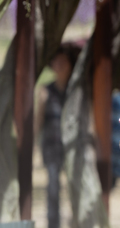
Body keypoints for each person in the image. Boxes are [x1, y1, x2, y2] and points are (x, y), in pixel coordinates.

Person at [37, 42, 80, 228]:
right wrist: (34, 150)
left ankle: (76, 223)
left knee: (75, 188)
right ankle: (52, 225)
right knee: (53, 188)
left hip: (73, 147)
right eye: (57, 62)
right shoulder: (45, 92)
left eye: (64, 62)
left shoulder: (76, 92)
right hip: (51, 146)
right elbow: (38, 123)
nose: (60, 66)